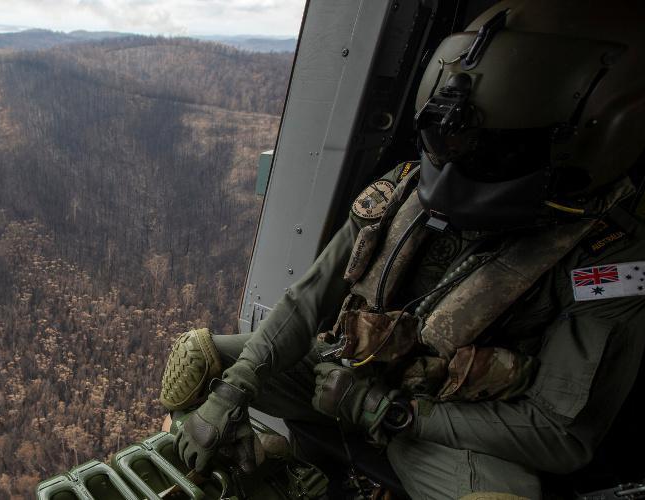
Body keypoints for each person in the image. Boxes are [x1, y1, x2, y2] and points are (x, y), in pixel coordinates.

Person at [159, 1, 645, 497]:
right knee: (196, 363)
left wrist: (392, 412)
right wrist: (233, 390)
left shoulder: (606, 256)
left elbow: (560, 433)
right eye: (447, 142)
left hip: (449, 427)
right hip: (342, 374)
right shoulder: (404, 188)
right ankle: (266, 462)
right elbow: (306, 302)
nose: (453, 172)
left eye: (493, 154)